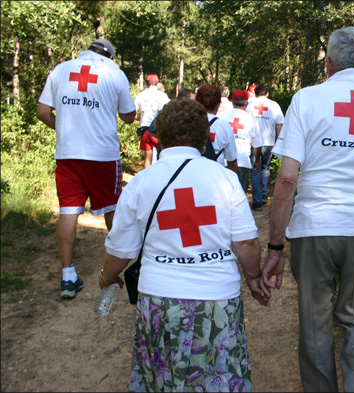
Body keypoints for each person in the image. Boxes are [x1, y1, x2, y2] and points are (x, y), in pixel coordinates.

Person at [259, 27, 354, 392]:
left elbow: (285, 180)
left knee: (315, 324)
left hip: (314, 228)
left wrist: (276, 248)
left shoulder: (307, 99)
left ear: (328, 63)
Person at [99, 98, 268, 391]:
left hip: (159, 300)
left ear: (160, 136)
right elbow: (247, 243)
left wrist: (107, 277)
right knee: (218, 377)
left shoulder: (141, 182)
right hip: (217, 299)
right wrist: (253, 278)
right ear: (204, 138)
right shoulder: (225, 180)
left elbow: (120, 248)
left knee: (165, 380)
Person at [36, 38, 136, 299]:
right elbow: (128, 116)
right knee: (112, 208)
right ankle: (113, 271)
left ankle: (67, 276)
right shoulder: (114, 73)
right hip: (102, 154)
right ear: (111, 57)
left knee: (68, 211)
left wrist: (69, 131)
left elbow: (43, 112)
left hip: (67, 154)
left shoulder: (60, 69)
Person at [246, 83, 284, 210]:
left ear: (255, 93)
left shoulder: (250, 104)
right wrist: (279, 141)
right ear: (267, 93)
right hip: (269, 142)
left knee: (255, 170)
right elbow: (279, 125)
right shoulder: (274, 105)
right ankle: (264, 195)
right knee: (265, 168)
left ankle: (256, 202)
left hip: (254, 142)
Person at [218, 89, 262, 195]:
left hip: (223, 162)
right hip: (242, 161)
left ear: (232, 102)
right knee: (240, 195)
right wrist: (256, 161)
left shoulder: (221, 116)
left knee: (223, 196)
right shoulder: (251, 120)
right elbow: (257, 145)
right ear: (247, 103)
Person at [196, 85, 239, 174]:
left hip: (194, 172)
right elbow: (232, 162)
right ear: (218, 105)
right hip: (216, 174)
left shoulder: (188, 123)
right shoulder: (224, 126)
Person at [135, 74, 170, 168]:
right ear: (157, 83)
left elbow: (134, 114)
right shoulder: (163, 96)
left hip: (145, 128)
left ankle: (148, 179)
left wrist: (141, 118)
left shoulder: (140, 95)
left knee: (147, 158)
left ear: (147, 83)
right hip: (158, 128)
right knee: (161, 156)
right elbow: (168, 112)